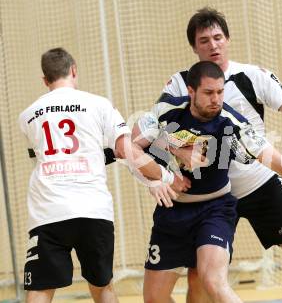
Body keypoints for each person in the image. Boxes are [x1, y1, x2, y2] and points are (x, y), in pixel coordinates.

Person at [162, 7, 282, 303]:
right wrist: (178, 154)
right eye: (204, 40)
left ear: (228, 39)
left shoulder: (252, 76)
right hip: (211, 196)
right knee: (199, 279)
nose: (213, 45)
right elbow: (158, 130)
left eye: (218, 37)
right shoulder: (180, 84)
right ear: (194, 47)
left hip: (259, 182)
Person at [18, 48, 188, 303]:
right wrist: (163, 176)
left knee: (40, 289)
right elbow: (125, 150)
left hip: (47, 211)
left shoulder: (28, 115)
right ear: (74, 70)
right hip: (92, 209)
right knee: (102, 287)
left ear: (45, 80)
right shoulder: (98, 104)